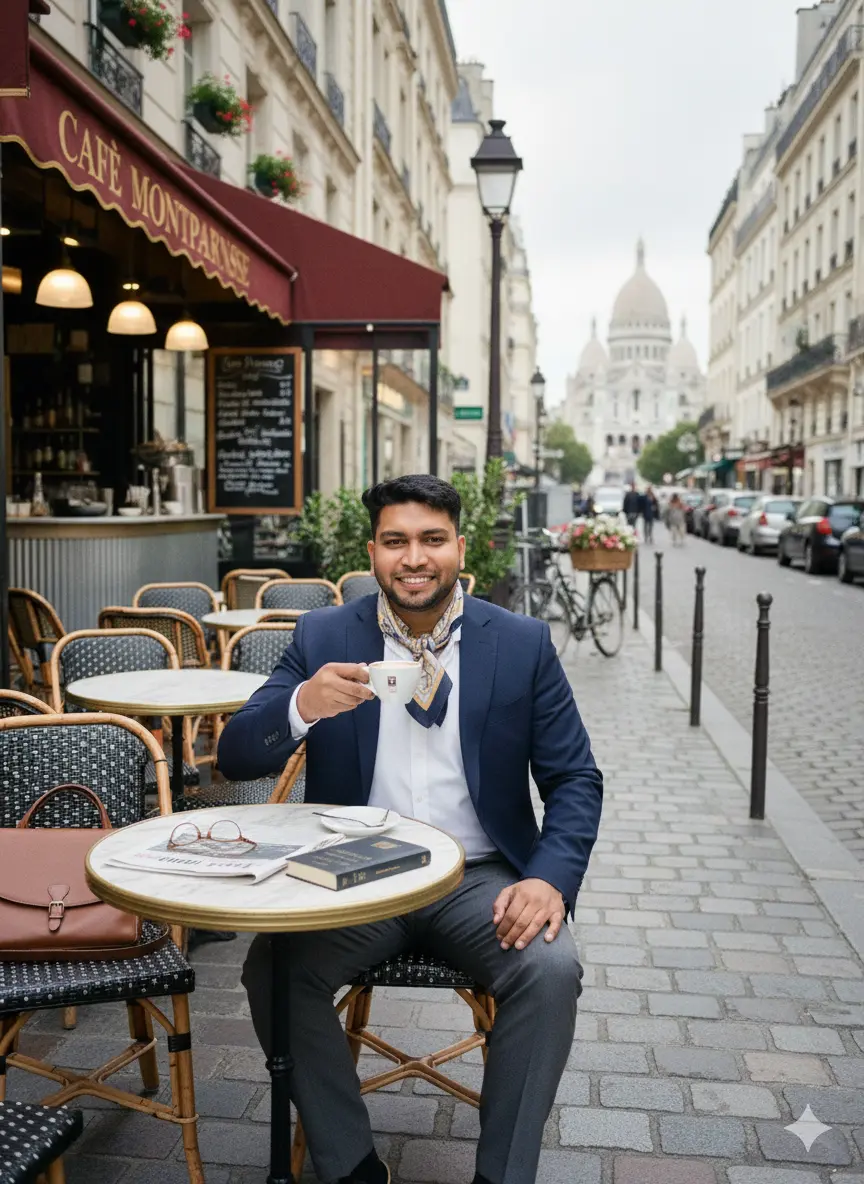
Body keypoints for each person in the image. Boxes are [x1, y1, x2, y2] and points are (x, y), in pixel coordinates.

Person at [218, 474, 604, 1184]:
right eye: (396, 541)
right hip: (356, 871)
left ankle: (503, 1175)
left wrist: (549, 879)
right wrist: (303, 704)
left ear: (460, 547)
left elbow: (576, 780)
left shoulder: (520, 643)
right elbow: (236, 751)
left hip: (479, 877)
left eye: (431, 540)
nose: (414, 558)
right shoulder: (325, 633)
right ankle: (352, 1165)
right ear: (373, 552)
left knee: (551, 971)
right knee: (273, 970)